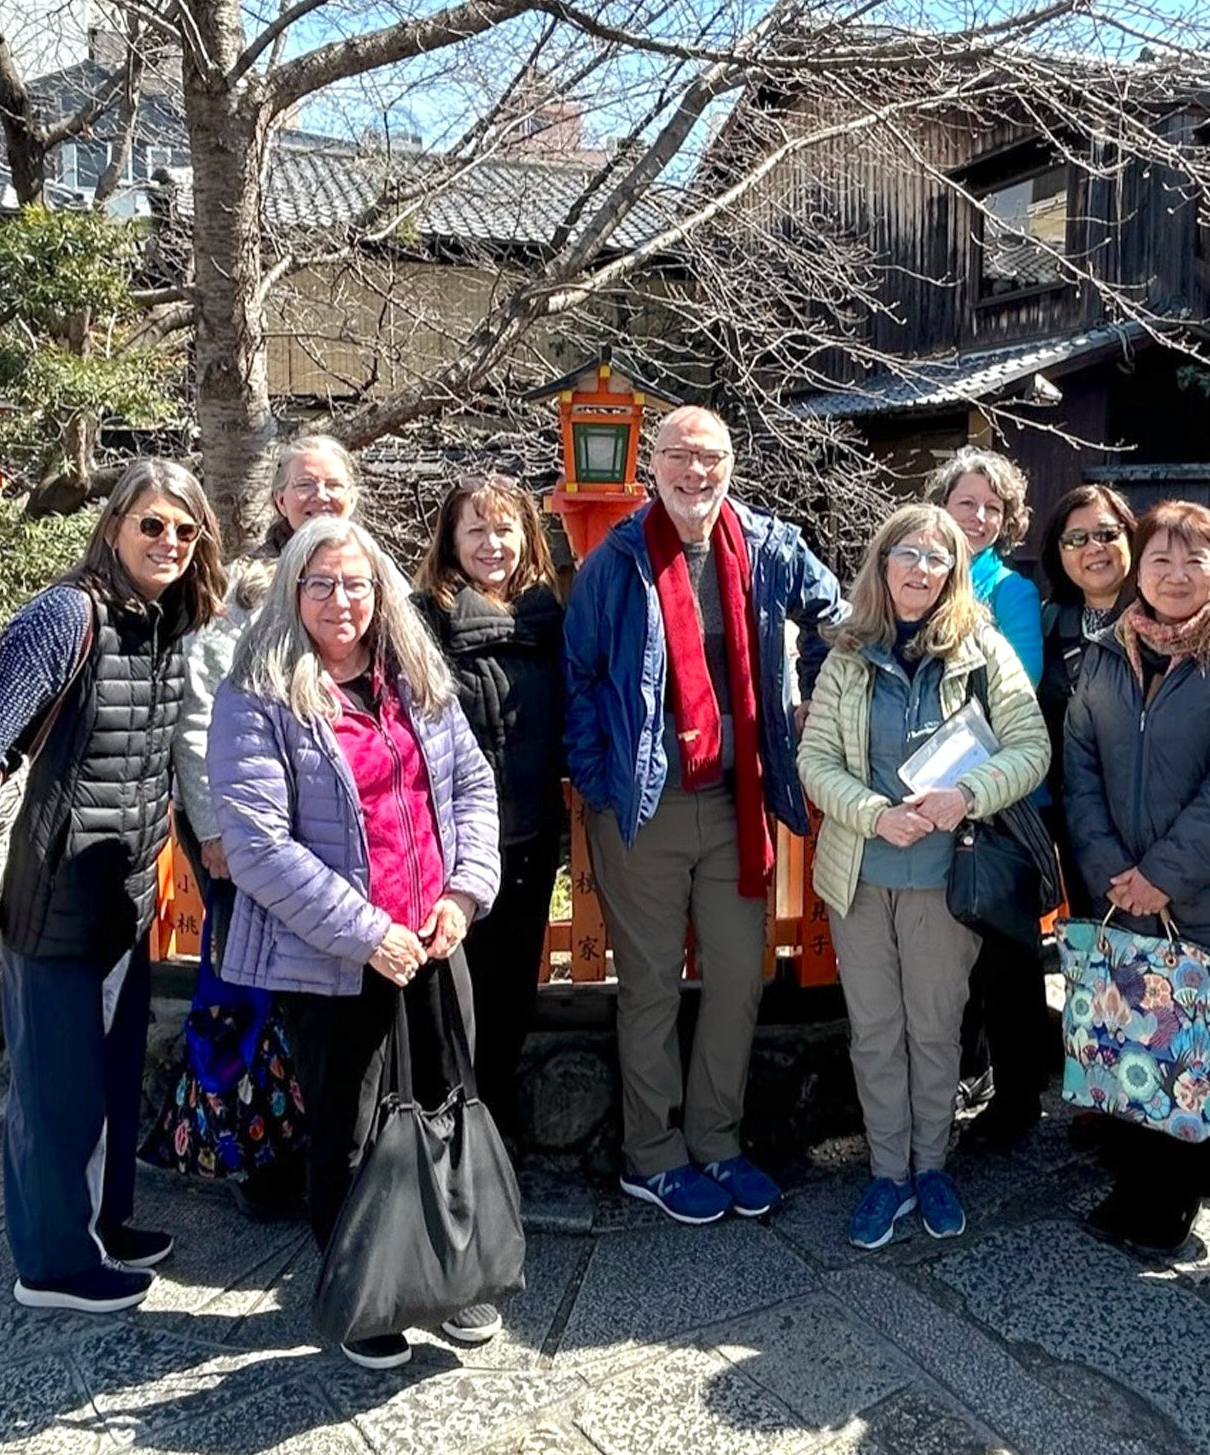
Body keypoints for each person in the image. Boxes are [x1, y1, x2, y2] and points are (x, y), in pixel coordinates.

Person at [0, 459, 224, 1313]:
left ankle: (103, 1220)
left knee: (111, 1074)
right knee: (56, 1089)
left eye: (184, 530)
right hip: (50, 893)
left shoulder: (167, 622)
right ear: (115, 524)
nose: (168, 541)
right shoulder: (65, 617)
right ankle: (52, 1263)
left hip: (119, 896)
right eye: (152, 524)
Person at [209, 516, 504, 1370]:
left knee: (447, 1108)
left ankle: (450, 1274)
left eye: (358, 584)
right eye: (321, 584)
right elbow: (260, 846)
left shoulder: (412, 678)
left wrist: (463, 891)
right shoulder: (258, 695)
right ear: (293, 592)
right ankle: (363, 1292)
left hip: (432, 941)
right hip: (331, 954)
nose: (342, 601)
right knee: (351, 1126)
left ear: (382, 593)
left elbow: (471, 785)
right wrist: (367, 931)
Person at [564, 404, 845, 1225]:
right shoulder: (617, 560)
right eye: (680, 457)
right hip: (643, 806)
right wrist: (600, 780)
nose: (697, 472)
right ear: (652, 465)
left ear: (732, 463)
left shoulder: (767, 546)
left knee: (736, 978)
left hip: (737, 798)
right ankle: (651, 1154)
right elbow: (581, 678)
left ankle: (717, 1139)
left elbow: (838, 618)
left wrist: (813, 710)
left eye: (712, 456)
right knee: (649, 987)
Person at [798, 504, 1049, 1248]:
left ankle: (931, 1166)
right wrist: (874, 814)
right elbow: (815, 763)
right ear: (882, 564)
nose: (919, 569)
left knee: (936, 1031)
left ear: (953, 573)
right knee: (876, 1031)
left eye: (936, 559)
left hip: (947, 873)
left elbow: (1029, 747)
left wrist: (963, 797)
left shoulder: (982, 648)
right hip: (863, 873)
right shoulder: (848, 653)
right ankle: (887, 1173)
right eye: (905, 553)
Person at [1062, 501, 1210, 1256]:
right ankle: (1137, 1182)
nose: (1174, 574)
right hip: (1122, 885)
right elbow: (1081, 769)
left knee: (1200, 1050)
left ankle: (1181, 1194)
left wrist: (1161, 875)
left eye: (1193, 559)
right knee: (1136, 1040)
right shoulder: (1105, 653)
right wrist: (1107, 867)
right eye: (1159, 558)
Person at [153, 434, 363, 1218]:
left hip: (350, 840)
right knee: (258, 998)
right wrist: (215, 830)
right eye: (303, 486)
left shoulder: (377, 577)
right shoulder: (244, 592)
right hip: (256, 840)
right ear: (278, 501)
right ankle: (265, 1157)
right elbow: (200, 716)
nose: (318, 498)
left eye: (333, 485)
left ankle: (338, 1150)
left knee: (337, 1000)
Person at [413, 473, 567, 1134]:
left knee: (511, 1002)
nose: (491, 543)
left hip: (531, 839)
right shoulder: (426, 619)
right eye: (475, 529)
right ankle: (449, 1135)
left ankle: (495, 1137)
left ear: (527, 536)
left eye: (504, 528)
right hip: (453, 851)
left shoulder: (548, 619)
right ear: (450, 540)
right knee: (453, 1003)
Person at [923, 445, 1049, 1146]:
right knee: (946, 949)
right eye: (965, 502)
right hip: (924, 799)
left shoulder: (1012, 592)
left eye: (992, 508)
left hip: (997, 797)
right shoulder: (912, 572)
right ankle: (961, 1076)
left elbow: (1016, 691)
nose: (976, 517)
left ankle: (1019, 1094)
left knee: (1004, 951)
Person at [1035, 483, 1134, 918]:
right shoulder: (1050, 624)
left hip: (1154, 823)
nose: (1093, 548)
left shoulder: (1166, 617)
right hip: (1079, 826)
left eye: (1107, 534)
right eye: (1075, 539)